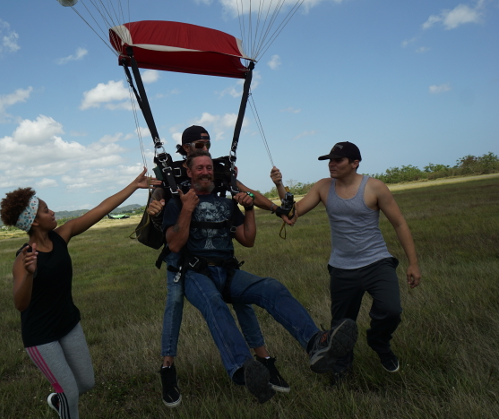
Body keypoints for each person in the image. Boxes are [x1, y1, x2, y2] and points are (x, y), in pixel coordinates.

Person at [163, 151, 358, 403]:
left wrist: (249, 209)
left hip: (228, 272)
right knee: (214, 303)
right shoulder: (177, 203)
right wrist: (188, 209)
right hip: (196, 274)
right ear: (188, 172)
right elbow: (175, 245)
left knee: (271, 287)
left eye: (209, 168)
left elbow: (248, 240)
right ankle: (244, 368)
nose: (205, 172)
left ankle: (316, 343)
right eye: (199, 168)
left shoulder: (226, 203)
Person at [147, 126, 290, 407]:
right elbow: (157, 196)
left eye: (208, 143)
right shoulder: (173, 173)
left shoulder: (215, 171)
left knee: (243, 300)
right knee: (174, 301)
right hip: (183, 254)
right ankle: (167, 367)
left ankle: (263, 361)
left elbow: (248, 192)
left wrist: (276, 209)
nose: (204, 147)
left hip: (217, 255)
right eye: (199, 143)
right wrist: (154, 205)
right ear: (185, 148)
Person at [0, 169, 150, 419]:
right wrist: (28, 273)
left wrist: (133, 186)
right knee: (69, 392)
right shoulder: (24, 258)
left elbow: (99, 210)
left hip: (68, 324)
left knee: (86, 383)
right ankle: (64, 403)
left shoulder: (62, 236)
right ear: (34, 221)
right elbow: (20, 304)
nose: (52, 213)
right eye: (46, 210)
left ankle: (59, 402)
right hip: (41, 337)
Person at [277, 141, 421, 380]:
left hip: (377, 261)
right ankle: (341, 369)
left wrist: (413, 263)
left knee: (391, 310)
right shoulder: (323, 187)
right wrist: (279, 185)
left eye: (338, 160)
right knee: (341, 325)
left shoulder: (375, 187)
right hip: (342, 267)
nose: (332, 165)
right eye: (330, 160)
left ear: (355, 163)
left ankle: (379, 342)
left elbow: (399, 223)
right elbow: (292, 214)